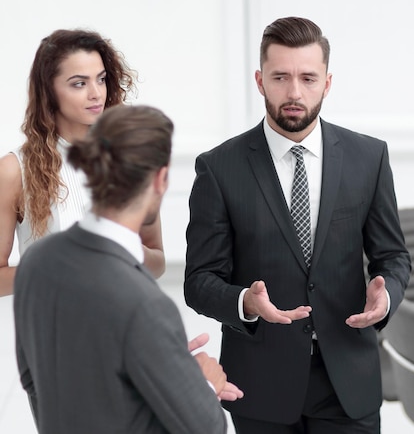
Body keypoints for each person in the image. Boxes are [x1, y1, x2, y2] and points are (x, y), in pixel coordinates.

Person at [184, 16, 411, 434]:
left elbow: (393, 255)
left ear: (327, 83)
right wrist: (245, 303)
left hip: (349, 379)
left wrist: (387, 294)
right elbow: (199, 280)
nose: (294, 92)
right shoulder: (219, 168)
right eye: (280, 77)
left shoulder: (369, 158)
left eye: (308, 78)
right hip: (259, 383)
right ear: (259, 80)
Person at [14, 104, 243, 434]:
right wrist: (199, 384)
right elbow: (206, 427)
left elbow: (34, 381)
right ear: (161, 178)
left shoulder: (35, 262)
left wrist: (161, 366)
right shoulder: (146, 305)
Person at [0, 29, 165, 297]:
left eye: (101, 80)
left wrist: (126, 249)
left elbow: (158, 262)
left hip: (124, 327)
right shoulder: (14, 170)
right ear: (49, 91)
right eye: (79, 83)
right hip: (54, 331)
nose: (96, 94)